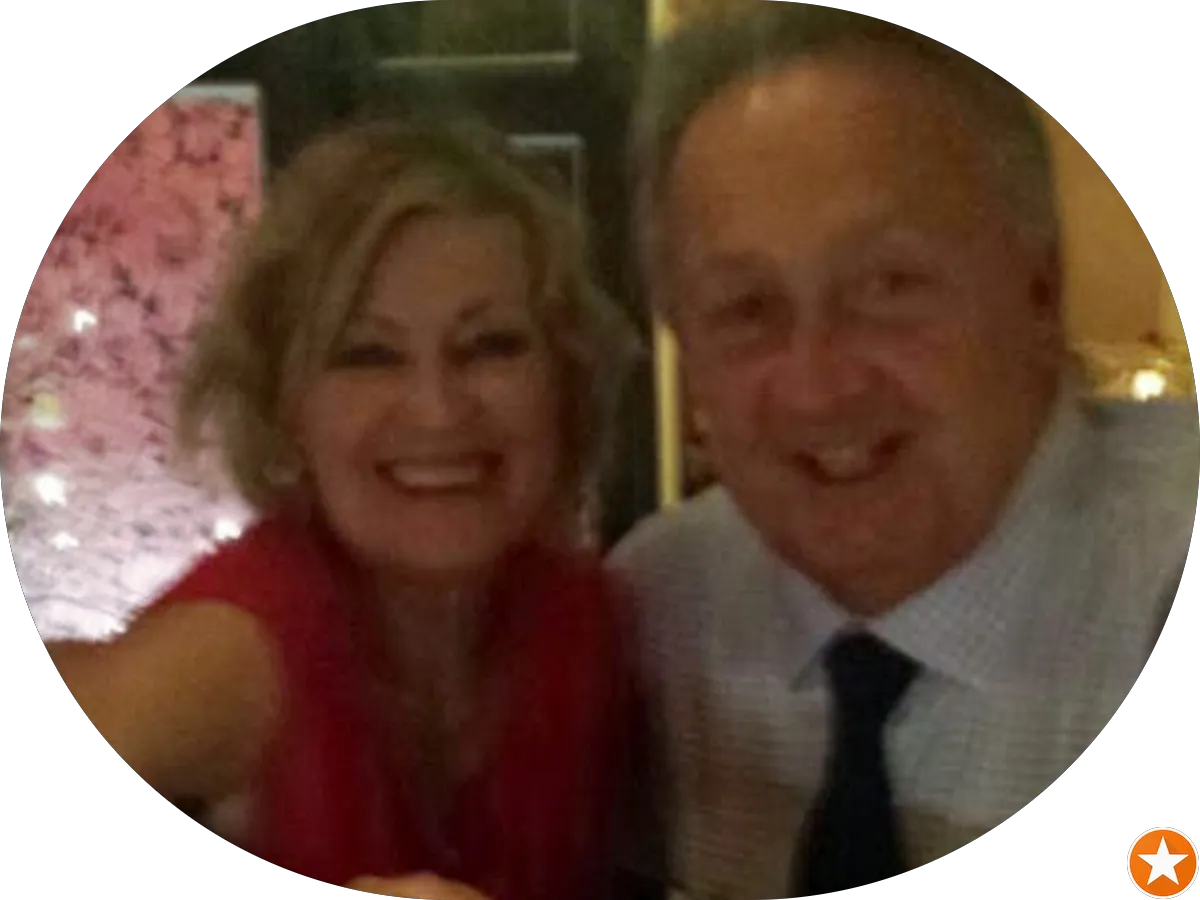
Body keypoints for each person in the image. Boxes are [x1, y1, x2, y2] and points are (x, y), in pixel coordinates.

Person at [609, 6, 1198, 899]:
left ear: (1041, 293)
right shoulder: (658, 611)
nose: (817, 386)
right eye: (746, 309)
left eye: (889, 286)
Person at [44, 118, 642, 900]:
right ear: (287, 408)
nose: (436, 410)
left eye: (490, 345)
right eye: (368, 355)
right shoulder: (238, 654)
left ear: (566, 380)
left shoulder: (598, 622)